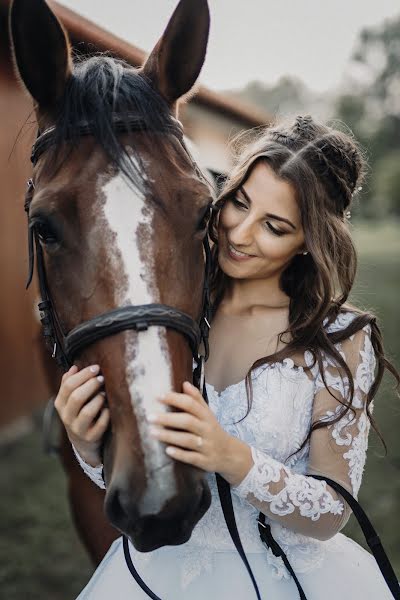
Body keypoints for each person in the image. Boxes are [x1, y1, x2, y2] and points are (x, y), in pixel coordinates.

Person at [55, 115, 398, 599]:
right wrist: (86, 443)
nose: (240, 234)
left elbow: (331, 512)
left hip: (289, 580)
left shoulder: (337, 339)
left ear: (308, 242)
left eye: (274, 227)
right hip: (161, 572)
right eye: (239, 202)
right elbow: (136, 471)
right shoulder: (178, 310)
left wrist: (232, 458)